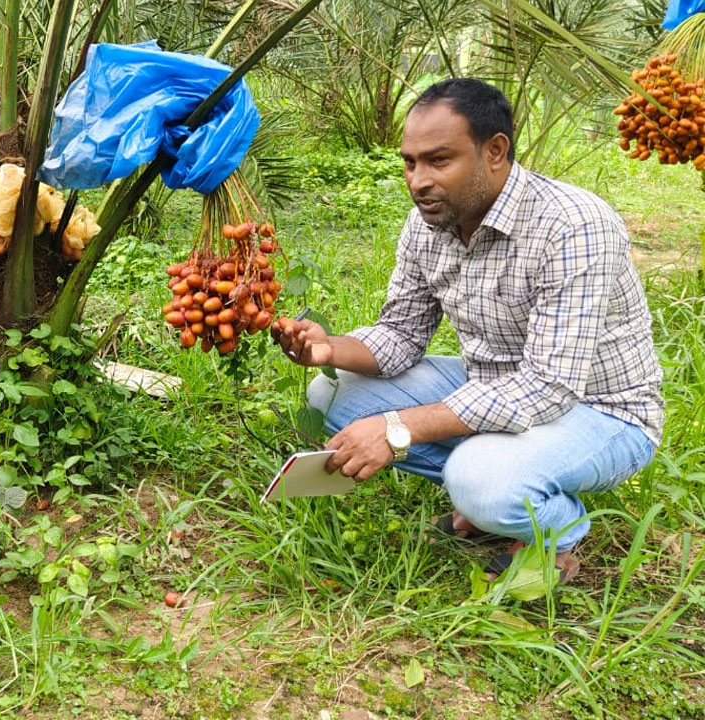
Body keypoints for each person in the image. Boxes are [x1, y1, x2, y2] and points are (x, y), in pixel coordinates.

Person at [276, 78, 663, 585]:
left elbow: (549, 386)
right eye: (410, 162)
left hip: (601, 411)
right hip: (495, 387)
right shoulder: (428, 224)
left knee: (478, 477)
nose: (418, 180)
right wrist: (327, 349)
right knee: (331, 393)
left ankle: (554, 525)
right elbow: (400, 335)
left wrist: (398, 430)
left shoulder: (574, 224)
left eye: (439, 160)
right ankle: (496, 494)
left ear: (495, 151)